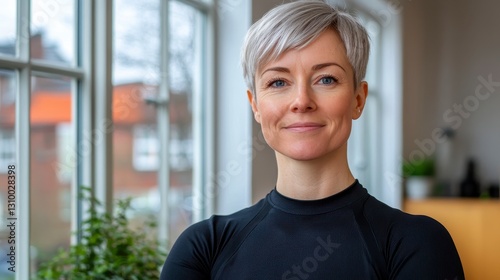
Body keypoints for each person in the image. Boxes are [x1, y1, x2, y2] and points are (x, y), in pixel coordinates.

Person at [160, 1, 464, 279]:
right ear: (255, 105)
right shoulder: (203, 247)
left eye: (326, 79)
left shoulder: (415, 243)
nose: (301, 101)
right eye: (278, 82)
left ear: (358, 99)